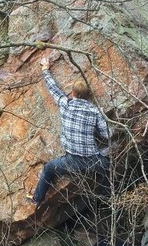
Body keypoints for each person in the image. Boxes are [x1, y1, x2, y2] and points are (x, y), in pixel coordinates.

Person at [27, 57, 111, 207]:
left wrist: (45, 69)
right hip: (94, 161)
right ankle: (106, 198)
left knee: (48, 169)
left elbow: (53, 88)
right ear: (88, 95)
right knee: (107, 166)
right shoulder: (95, 111)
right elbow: (106, 135)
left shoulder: (65, 104)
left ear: (73, 93)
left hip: (71, 162)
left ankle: (37, 199)